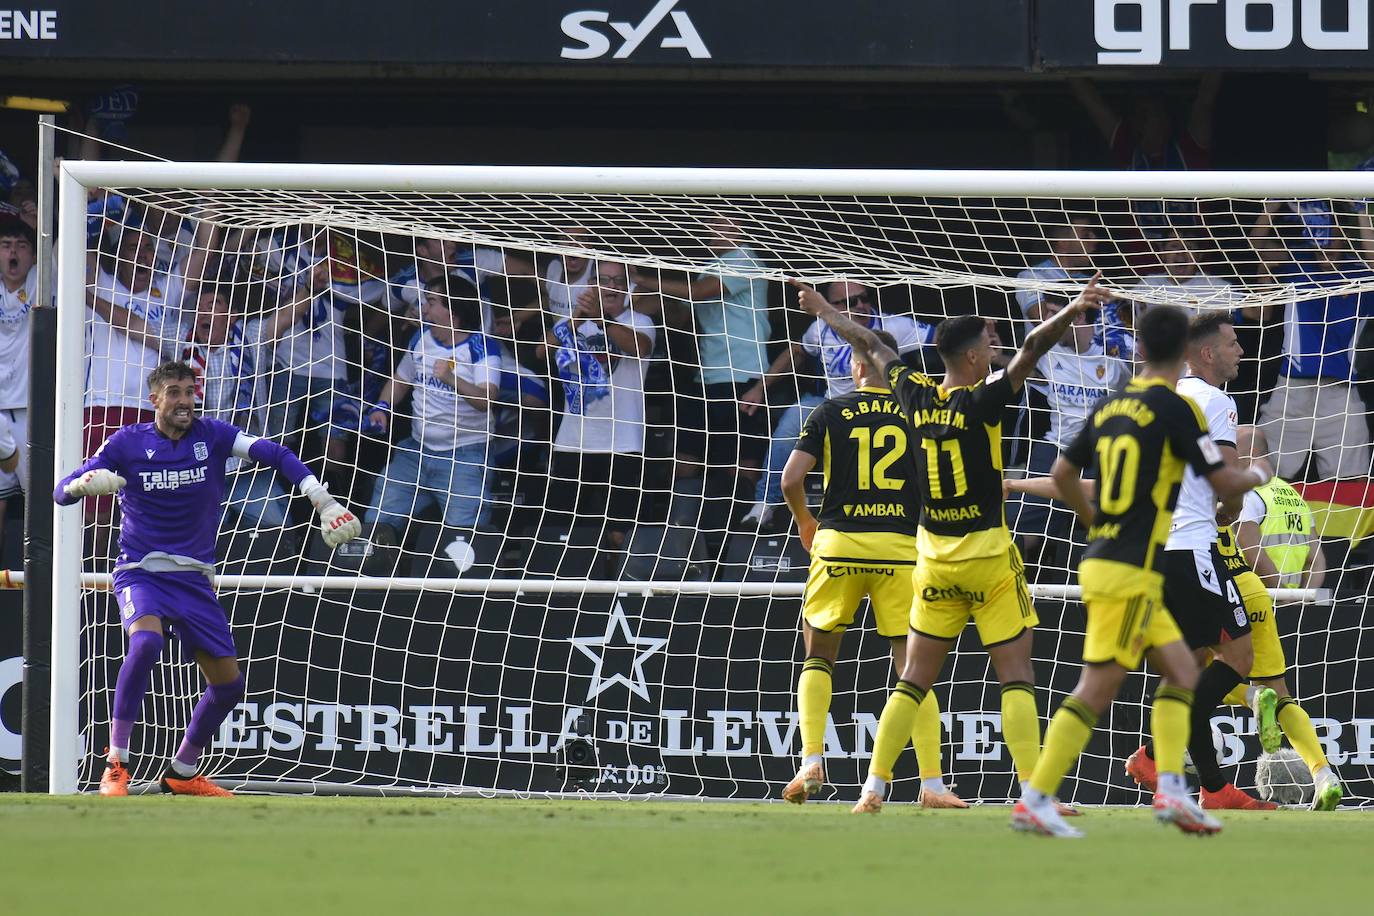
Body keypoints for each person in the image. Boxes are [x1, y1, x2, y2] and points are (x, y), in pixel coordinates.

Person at [790, 272, 1110, 816]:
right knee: (1016, 674)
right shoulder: (983, 402)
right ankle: (1034, 792)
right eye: (988, 344)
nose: (995, 349)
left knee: (913, 677)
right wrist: (1074, 307)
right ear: (970, 358)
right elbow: (1034, 347)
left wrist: (823, 308)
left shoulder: (912, 395)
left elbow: (867, 342)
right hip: (985, 555)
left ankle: (873, 788)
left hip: (932, 560)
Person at [1011, 305, 1271, 838]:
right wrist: (1262, 470)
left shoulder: (1110, 407)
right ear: (1183, 354)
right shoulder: (1179, 410)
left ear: (1140, 349)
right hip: (1131, 569)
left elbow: (1062, 473)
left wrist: (1097, 523)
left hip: (1122, 563)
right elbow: (1224, 485)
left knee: (1182, 674)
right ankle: (1034, 799)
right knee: (1096, 689)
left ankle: (1173, 793)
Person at [55, 360, 361, 797]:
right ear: (154, 399)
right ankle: (116, 763)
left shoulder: (213, 435)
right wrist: (83, 485)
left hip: (195, 579)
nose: (185, 400)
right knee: (146, 643)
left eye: (189, 391)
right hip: (142, 572)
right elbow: (59, 492)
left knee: (229, 686)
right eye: (174, 393)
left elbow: (275, 453)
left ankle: (181, 771)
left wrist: (323, 501)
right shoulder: (126, 442)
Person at [778, 328, 964, 809]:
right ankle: (931, 784)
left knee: (819, 657)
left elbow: (791, 478)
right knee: (913, 671)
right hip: (902, 551)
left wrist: (805, 521)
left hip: (838, 545)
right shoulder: (916, 412)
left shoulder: (829, 410)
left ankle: (812, 760)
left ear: (858, 367)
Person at [1112, 313, 1276, 811]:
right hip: (1192, 548)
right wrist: (1258, 475)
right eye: (1233, 343)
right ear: (1206, 354)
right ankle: (1153, 753)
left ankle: (1214, 786)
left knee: (1191, 667)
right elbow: (1224, 484)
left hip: (1151, 546)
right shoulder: (1214, 400)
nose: (1241, 351)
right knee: (1239, 659)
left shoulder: (1159, 399)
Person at [740, 280, 934, 530]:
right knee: (794, 418)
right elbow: (797, 351)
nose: (862, 306)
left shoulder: (894, 326)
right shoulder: (820, 329)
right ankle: (764, 505)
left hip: (885, 404)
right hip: (833, 405)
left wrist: (985, 342)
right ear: (832, 306)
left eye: (864, 298)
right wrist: (759, 388)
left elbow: (943, 338)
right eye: (851, 302)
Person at [632, 219, 772, 537]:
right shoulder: (709, 265)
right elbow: (683, 314)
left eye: (720, 226)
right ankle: (682, 537)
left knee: (738, 466)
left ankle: (737, 538)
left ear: (738, 229)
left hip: (744, 375)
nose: (712, 233)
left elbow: (696, 293)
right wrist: (638, 301)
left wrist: (645, 278)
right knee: (686, 462)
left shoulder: (745, 258)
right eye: (708, 227)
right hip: (705, 378)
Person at [1229, 424, 1343, 810]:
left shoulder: (1247, 493)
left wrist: (1272, 583)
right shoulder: (1293, 496)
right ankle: (1323, 774)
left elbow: (1247, 543)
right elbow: (1318, 556)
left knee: (1188, 671)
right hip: (1281, 605)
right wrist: (1301, 594)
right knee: (1282, 694)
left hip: (1242, 593)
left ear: (1243, 454)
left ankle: (1246, 699)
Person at [365, 272, 501, 568]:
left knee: (466, 541)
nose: (424, 308)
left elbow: (487, 400)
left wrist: (451, 379)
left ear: (453, 312)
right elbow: (400, 379)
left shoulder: (481, 346)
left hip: (464, 457)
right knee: (378, 522)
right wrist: (382, 406)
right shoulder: (420, 338)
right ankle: (369, 589)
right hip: (416, 451)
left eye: (432, 302)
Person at [1249, 199, 1374, 479]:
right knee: (1262, 474)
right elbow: (1257, 246)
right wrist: (1274, 202)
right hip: (1291, 391)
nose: (1323, 245)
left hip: (1340, 394)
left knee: (1351, 484)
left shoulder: (1361, 274)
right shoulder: (1298, 262)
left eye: (1329, 237)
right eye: (1317, 237)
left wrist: (1362, 211)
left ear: (1343, 235)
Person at [1007, 296, 1129, 579]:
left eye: (1054, 316)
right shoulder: (1046, 352)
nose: (1045, 323)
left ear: (1077, 319)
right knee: (1015, 531)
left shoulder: (1112, 358)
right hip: (1057, 447)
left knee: (1117, 531)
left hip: (1102, 454)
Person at [545, 260, 656, 548]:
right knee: (562, 528)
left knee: (620, 531)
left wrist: (601, 319)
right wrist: (579, 318)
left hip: (623, 440)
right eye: (604, 280)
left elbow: (640, 347)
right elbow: (540, 350)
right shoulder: (572, 323)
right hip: (573, 440)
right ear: (590, 286)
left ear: (628, 287)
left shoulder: (639, 321)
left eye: (619, 281)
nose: (613, 286)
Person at [0, 218, 38, 550]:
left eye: (21, 245)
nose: (13, 252)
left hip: (29, 411)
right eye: (6, 245)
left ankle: (40, 581)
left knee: (36, 503)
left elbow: (57, 249)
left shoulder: (42, 280)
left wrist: (36, 222)